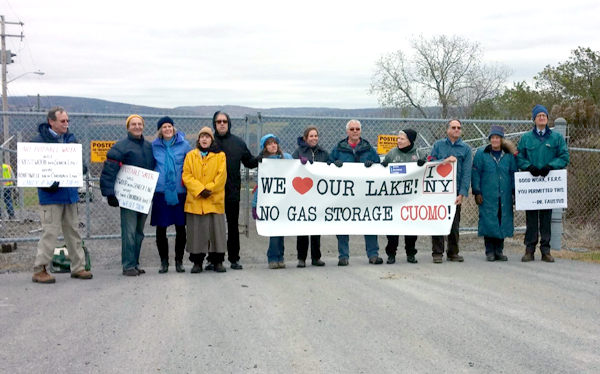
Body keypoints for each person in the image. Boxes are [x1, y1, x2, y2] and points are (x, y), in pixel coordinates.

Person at [31, 107, 92, 283]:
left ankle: (78, 267)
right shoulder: (39, 142)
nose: (66, 124)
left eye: (67, 121)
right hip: (50, 195)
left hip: (70, 194)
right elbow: (33, 169)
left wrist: (80, 168)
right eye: (62, 121)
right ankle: (40, 269)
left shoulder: (71, 140)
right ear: (51, 121)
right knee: (49, 232)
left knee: (73, 231)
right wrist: (47, 183)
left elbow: (81, 164)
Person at [100, 114, 156, 276]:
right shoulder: (121, 147)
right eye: (133, 124)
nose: (137, 127)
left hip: (143, 197)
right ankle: (128, 265)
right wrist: (109, 193)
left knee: (139, 232)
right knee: (129, 231)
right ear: (128, 127)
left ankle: (135, 263)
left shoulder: (148, 147)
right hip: (127, 198)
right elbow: (109, 171)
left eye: (140, 124)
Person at [516, 105, 570, 262]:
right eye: (538, 115)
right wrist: (528, 167)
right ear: (534, 119)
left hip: (548, 187)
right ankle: (529, 249)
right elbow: (519, 157)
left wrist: (551, 166)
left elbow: (564, 156)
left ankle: (546, 250)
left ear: (547, 118)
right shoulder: (526, 138)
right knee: (531, 217)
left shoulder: (556, 138)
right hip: (531, 187)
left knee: (546, 217)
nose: (541, 118)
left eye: (544, 115)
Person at [328, 119, 383, 266]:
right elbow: (327, 166)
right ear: (347, 131)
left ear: (360, 131)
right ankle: (343, 256)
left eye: (357, 129)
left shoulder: (369, 148)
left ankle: (373, 254)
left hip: (365, 194)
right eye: (352, 129)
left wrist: (373, 165)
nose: (354, 131)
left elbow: (379, 166)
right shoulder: (338, 149)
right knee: (342, 223)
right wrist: (334, 165)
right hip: (344, 194)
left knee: (369, 222)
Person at [211, 111, 259, 270]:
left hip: (232, 192)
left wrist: (265, 155)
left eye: (225, 121)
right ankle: (213, 259)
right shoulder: (208, 142)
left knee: (232, 226)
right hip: (211, 193)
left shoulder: (238, 143)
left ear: (229, 123)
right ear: (215, 124)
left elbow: (250, 162)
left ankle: (234, 258)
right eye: (219, 122)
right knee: (213, 227)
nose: (222, 124)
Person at [182, 127, 228, 273]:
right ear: (198, 139)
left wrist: (210, 188)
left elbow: (221, 176)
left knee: (217, 233)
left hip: (214, 200)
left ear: (211, 139)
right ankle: (197, 262)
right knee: (196, 233)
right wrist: (200, 189)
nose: (204, 139)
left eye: (207, 136)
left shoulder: (220, 156)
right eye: (202, 136)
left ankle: (217, 261)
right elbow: (186, 175)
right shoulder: (190, 156)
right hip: (196, 200)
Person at [151, 116, 191, 273]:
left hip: (180, 191)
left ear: (173, 128)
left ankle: (179, 261)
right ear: (160, 130)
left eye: (169, 126)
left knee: (181, 227)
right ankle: (164, 261)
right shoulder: (154, 146)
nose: (167, 129)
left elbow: (190, 165)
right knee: (161, 228)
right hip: (161, 192)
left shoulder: (184, 145)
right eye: (164, 127)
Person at [429, 119, 472, 263]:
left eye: (458, 128)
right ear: (448, 130)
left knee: (454, 222)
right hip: (439, 191)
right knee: (438, 220)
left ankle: (453, 252)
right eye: (453, 127)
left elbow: (466, 173)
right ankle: (437, 252)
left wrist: (462, 193)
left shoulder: (465, 149)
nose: (456, 130)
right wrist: (444, 160)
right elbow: (430, 162)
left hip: (455, 192)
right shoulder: (438, 145)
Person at [472, 126, 518, 261]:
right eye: (492, 137)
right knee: (488, 221)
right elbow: (476, 173)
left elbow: (513, 173)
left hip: (505, 194)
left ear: (501, 139)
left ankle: (499, 250)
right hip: (488, 194)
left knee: (502, 219)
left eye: (497, 137)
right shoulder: (482, 153)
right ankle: (489, 251)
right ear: (490, 139)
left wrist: (515, 191)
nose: (495, 140)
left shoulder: (508, 155)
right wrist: (477, 191)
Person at [381, 128, 427, 264]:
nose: (398, 141)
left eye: (402, 139)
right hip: (394, 197)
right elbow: (381, 171)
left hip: (412, 198)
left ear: (410, 141)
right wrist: (381, 166)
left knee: (411, 228)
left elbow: (430, 165)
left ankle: (411, 253)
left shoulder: (419, 153)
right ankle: (391, 254)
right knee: (393, 228)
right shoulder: (392, 153)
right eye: (398, 138)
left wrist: (423, 164)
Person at [252, 134, 293, 269]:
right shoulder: (263, 162)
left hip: (284, 200)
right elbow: (261, 185)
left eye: (275, 143)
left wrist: (303, 162)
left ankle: (280, 257)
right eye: (269, 144)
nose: (273, 146)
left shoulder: (286, 158)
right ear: (265, 147)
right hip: (270, 202)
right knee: (274, 231)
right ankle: (273, 257)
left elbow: (297, 169)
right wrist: (255, 204)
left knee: (281, 230)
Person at [291, 126, 328, 268]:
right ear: (305, 138)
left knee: (316, 228)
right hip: (302, 195)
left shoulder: (323, 153)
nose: (314, 138)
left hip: (318, 195)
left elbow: (330, 167)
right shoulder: (298, 152)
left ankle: (316, 257)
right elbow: (290, 168)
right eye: (311, 136)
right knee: (303, 228)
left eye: (316, 136)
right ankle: (301, 258)